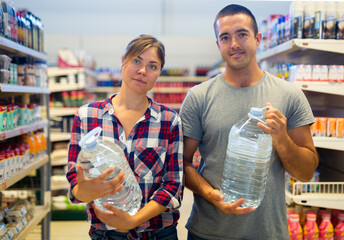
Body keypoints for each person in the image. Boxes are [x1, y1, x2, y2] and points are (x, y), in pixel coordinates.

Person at [179, 4, 319, 240]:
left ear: (258, 38)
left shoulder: (290, 95)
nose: (234, 44)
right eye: (225, 37)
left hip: (267, 232)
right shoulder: (198, 97)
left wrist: (282, 139)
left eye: (242, 34)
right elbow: (180, 163)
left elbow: (305, 173)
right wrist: (212, 195)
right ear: (218, 44)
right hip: (208, 232)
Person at [66, 34, 184, 240]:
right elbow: (75, 185)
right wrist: (84, 192)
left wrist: (134, 220)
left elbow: (173, 186)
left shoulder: (169, 120)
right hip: (106, 234)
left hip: (157, 233)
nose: (142, 71)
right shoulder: (87, 116)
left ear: (158, 73)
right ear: (123, 61)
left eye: (152, 66)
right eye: (136, 60)